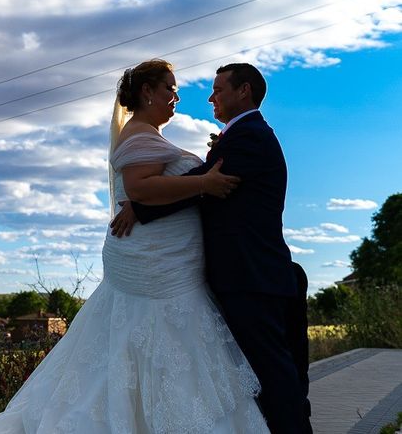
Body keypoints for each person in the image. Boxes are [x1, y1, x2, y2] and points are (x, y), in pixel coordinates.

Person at [0, 59, 270, 434]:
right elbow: (141, 189)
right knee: (157, 343)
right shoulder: (140, 135)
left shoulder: (146, 135)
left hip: (166, 262)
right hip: (156, 269)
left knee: (150, 349)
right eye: (169, 89)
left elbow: (147, 190)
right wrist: (203, 184)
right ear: (147, 92)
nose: (176, 96)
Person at [110, 62, 312, 433]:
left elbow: (200, 184)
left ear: (244, 91)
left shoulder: (249, 136)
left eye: (218, 90)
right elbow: (201, 183)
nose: (210, 96)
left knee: (274, 375)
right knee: (269, 373)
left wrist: (139, 207)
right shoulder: (239, 137)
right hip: (236, 274)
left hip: (251, 276)